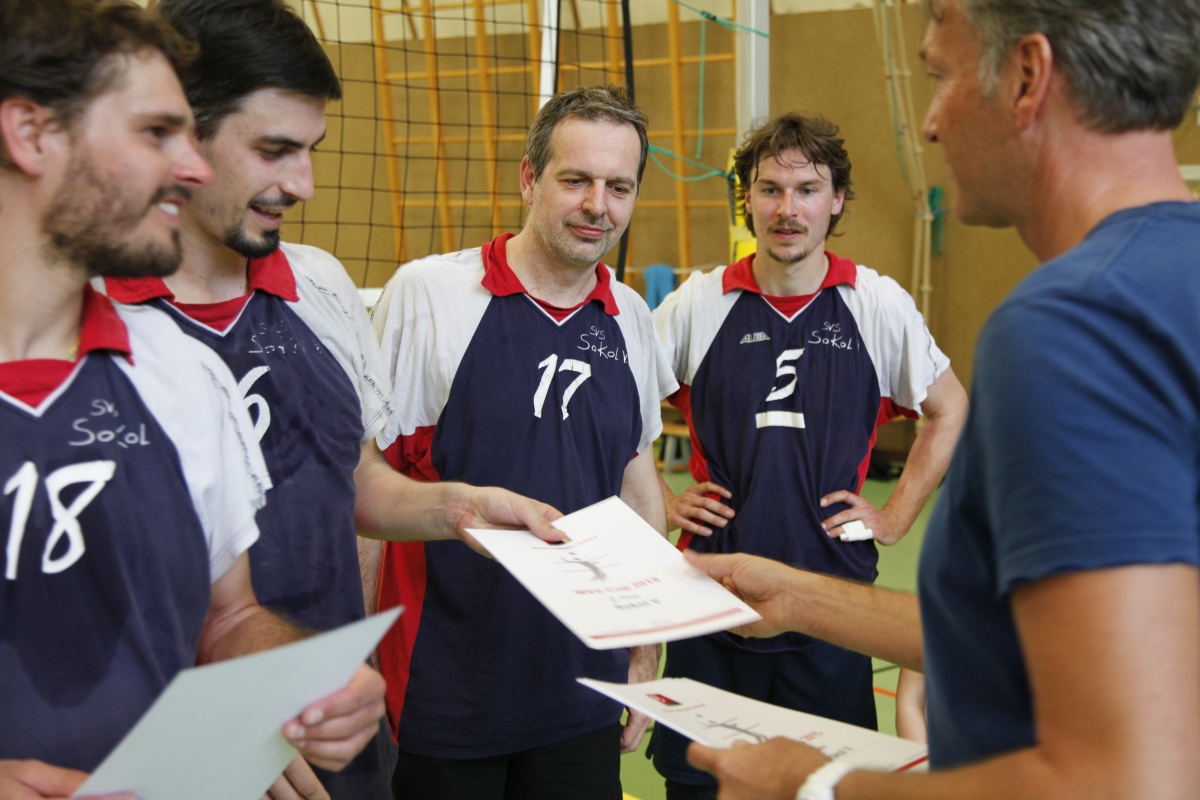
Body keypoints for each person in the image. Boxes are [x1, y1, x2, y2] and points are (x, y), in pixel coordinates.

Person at [680, 0, 1200, 797]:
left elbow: (1120, 776)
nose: (929, 124)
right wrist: (799, 597)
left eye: (940, 76)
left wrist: (816, 787)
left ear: (1026, 76)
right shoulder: (1168, 283)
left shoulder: (1079, 324)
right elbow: (1053, 639)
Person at [100, 1, 565, 798]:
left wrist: (456, 508)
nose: (303, 185)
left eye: (311, 151)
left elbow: (349, 479)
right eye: (274, 150)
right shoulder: (73, 320)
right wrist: (223, 712)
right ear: (174, 133)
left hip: (336, 721)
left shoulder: (319, 287)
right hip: (165, 752)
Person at [0, 1, 386, 797]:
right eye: (156, 133)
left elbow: (228, 617)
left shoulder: (179, 370)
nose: (195, 167)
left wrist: (295, 680)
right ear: (31, 134)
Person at [370, 85, 677, 799]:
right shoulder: (429, 295)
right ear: (529, 178)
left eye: (619, 187)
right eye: (576, 180)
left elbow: (637, 490)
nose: (598, 206)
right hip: (444, 690)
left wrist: (644, 647)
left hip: (583, 687)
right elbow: (364, 487)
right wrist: (353, 658)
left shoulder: (629, 315)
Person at [648, 111, 967, 798]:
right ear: (748, 200)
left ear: (837, 199)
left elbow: (950, 408)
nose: (787, 209)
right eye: (770, 190)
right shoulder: (697, 303)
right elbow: (618, 407)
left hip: (834, 607)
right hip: (711, 601)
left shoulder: (875, 303)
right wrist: (663, 500)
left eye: (807, 190)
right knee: (700, 786)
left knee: (824, 787)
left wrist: (894, 517)